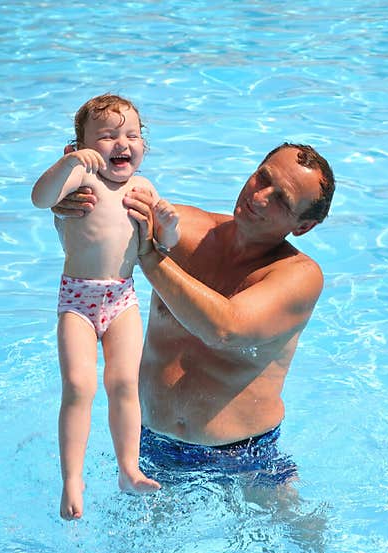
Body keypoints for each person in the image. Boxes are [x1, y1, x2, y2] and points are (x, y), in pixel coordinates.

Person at [51, 142, 335, 487]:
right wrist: (73, 198)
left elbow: (224, 328)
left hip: (244, 459)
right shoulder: (181, 228)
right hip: (149, 445)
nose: (260, 196)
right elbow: (99, 223)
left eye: (281, 200)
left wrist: (151, 257)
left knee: (302, 537)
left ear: (302, 227)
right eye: (263, 178)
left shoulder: (299, 275)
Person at [32, 93, 180, 520]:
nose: (122, 143)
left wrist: (167, 224)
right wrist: (69, 164)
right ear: (81, 145)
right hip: (78, 298)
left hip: (122, 297)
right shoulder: (76, 183)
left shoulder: (143, 188)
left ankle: (128, 469)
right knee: (79, 387)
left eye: (132, 135)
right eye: (108, 136)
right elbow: (40, 199)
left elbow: (164, 244)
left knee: (123, 384)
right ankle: (72, 480)